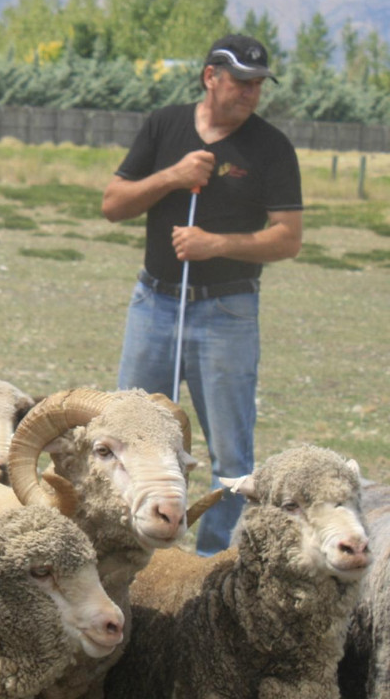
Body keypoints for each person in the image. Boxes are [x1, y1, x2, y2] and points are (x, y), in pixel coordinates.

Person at [101, 34, 303, 556]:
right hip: (154, 305)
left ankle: (216, 566)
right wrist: (172, 176)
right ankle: (125, 553)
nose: (251, 93)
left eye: (259, 84)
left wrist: (218, 244)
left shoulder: (272, 147)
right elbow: (113, 204)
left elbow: (289, 237)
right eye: (241, 81)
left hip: (228, 312)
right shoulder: (163, 125)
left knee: (232, 455)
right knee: (126, 435)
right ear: (210, 77)